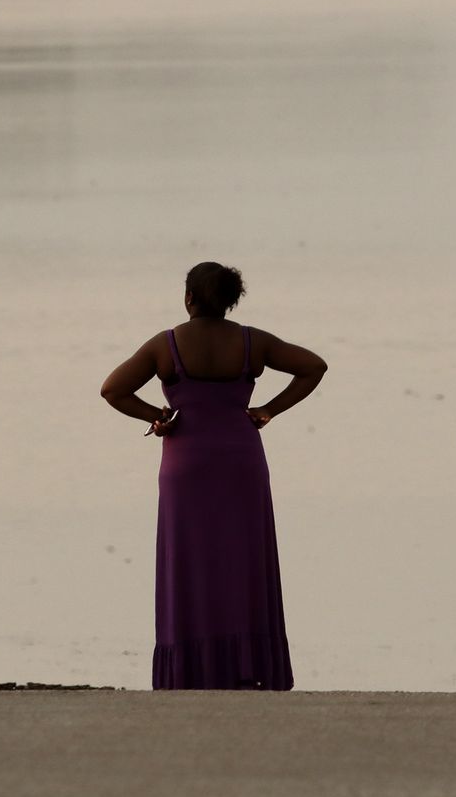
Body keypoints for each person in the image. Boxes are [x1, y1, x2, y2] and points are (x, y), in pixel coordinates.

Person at [99, 262, 328, 690]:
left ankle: (190, 671)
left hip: (185, 465)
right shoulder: (252, 342)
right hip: (241, 461)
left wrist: (157, 415)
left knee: (189, 563)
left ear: (189, 298)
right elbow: (314, 366)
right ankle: (250, 667)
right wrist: (269, 409)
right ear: (230, 300)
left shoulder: (164, 345)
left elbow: (112, 389)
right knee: (243, 561)